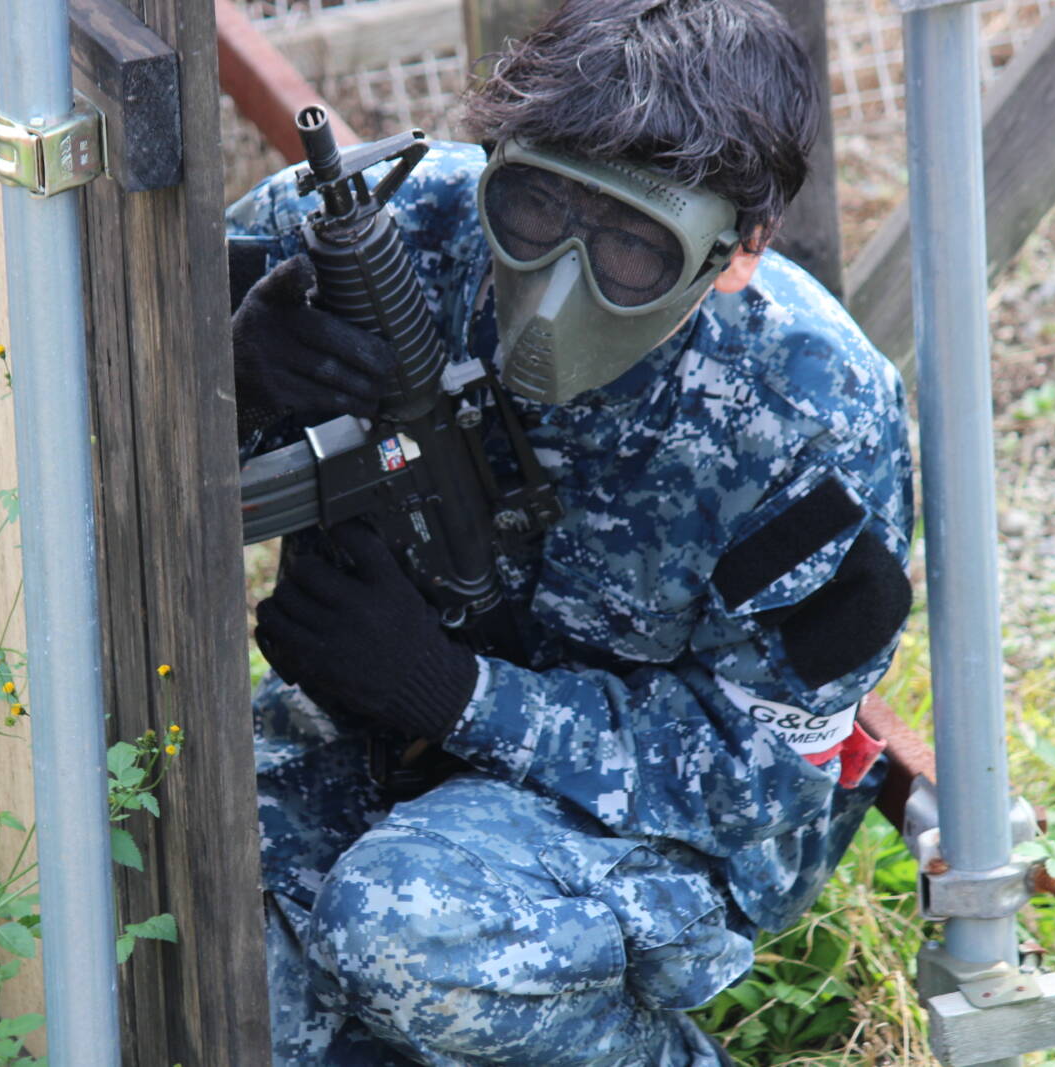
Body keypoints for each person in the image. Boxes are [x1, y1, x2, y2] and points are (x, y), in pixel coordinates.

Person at [225, 1, 915, 1063]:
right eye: (536, 206)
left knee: (404, 924)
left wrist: (458, 696)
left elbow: (754, 779)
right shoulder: (384, 233)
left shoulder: (811, 418)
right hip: (367, 733)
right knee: (193, 895)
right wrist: (221, 379)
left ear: (740, 250)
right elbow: (75, 406)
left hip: (658, 821)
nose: (557, 284)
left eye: (634, 246)